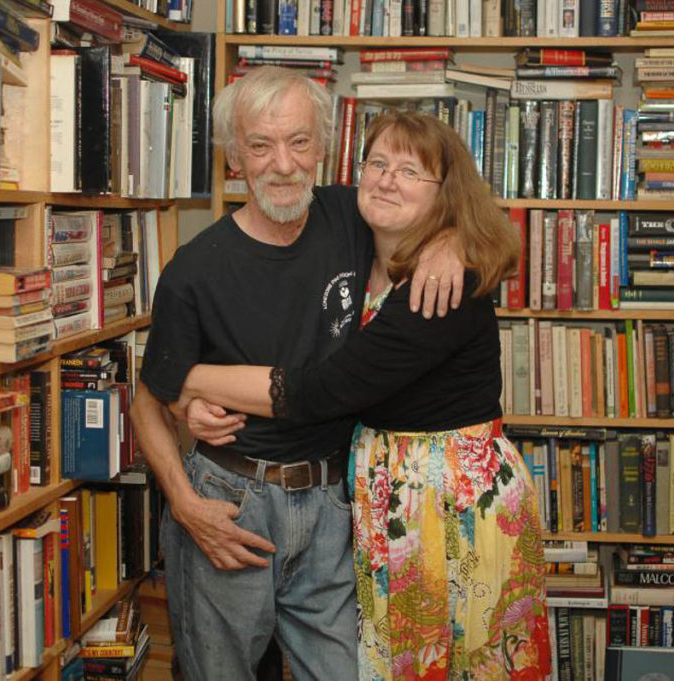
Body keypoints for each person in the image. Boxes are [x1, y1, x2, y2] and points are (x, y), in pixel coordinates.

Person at [177, 111, 552, 681]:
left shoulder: (442, 285)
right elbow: (286, 185)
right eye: (377, 163)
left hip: (451, 504)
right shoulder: (352, 254)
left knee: (472, 665)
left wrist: (191, 378)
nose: (386, 180)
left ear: (444, 194)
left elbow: (321, 390)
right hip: (390, 494)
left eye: (410, 171)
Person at [130, 67, 464, 681]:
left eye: (299, 142)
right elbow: (147, 403)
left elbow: (438, 202)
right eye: (260, 145)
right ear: (235, 158)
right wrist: (182, 501)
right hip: (230, 503)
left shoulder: (351, 215)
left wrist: (450, 239)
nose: (282, 164)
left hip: (335, 503)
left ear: (325, 148)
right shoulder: (193, 270)